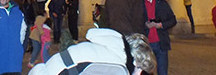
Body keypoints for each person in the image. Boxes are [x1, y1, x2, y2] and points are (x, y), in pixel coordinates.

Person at [28, 29, 156, 75]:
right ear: (137, 63)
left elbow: (91, 33)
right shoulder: (119, 68)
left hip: (52, 65)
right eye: (143, 72)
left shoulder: (117, 41)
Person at [141, 0, 176, 75]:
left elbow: (173, 20)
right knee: (147, 72)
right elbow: (135, 22)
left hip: (161, 43)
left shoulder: (162, 4)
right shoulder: (140, 5)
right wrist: (145, 24)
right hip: (147, 44)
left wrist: (161, 25)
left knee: (162, 72)